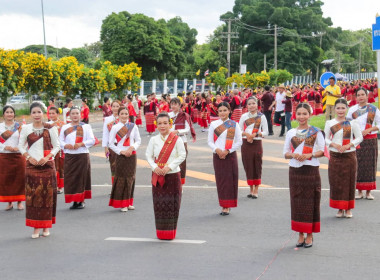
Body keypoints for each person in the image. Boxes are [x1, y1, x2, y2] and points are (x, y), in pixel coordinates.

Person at [283, 103, 325, 248]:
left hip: (310, 170)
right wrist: (293, 154)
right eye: (299, 114)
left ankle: (310, 235)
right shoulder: (290, 133)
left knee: (310, 202)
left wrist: (309, 154)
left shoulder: (316, 132)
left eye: (304, 113)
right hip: (295, 171)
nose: (301, 116)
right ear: (295, 115)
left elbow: (323, 151)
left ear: (310, 115)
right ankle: (300, 234)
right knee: (297, 202)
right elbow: (285, 153)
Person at [18, 102, 60, 239]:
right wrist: (29, 158)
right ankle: (35, 228)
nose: (36, 115)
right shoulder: (26, 128)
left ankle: (46, 226)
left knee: (47, 197)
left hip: (47, 166)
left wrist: (47, 157)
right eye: (34, 112)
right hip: (32, 166)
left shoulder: (51, 128)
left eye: (39, 112)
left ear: (43, 113)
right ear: (30, 114)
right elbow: (21, 147)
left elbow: (57, 146)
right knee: (33, 197)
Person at [146, 112, 186, 240]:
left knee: (172, 204)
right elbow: (148, 155)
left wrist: (169, 167)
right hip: (158, 175)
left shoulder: (176, 139)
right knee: (159, 204)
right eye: (160, 124)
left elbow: (182, 155)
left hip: (173, 175)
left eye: (165, 123)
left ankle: (170, 233)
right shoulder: (153, 139)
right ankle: (161, 233)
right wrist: (155, 167)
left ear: (170, 124)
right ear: (156, 125)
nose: (162, 126)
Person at [324, 99, 363, 218]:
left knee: (349, 182)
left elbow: (359, 137)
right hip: (335, 155)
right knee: (336, 182)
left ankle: (348, 208)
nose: (340, 111)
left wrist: (349, 145)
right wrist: (334, 144)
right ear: (334, 109)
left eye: (343, 108)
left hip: (349, 155)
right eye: (338, 108)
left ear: (347, 108)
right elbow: (325, 138)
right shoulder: (330, 123)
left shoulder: (352, 122)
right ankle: (339, 208)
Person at [208, 102, 242, 215]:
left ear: (229, 111)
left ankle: (228, 205)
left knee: (230, 180)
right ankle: (223, 204)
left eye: (225, 110)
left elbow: (239, 141)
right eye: (220, 111)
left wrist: (227, 151)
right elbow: (210, 141)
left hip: (230, 156)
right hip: (217, 155)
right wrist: (217, 150)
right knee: (221, 180)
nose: (222, 113)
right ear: (218, 112)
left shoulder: (234, 124)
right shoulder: (213, 124)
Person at [347, 87, 380, 200]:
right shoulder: (352, 110)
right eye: (359, 95)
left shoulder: (373, 109)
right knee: (358, 165)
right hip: (357, 140)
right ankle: (359, 191)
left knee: (370, 165)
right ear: (356, 97)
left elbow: (379, 124)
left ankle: (368, 192)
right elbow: (347, 125)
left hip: (371, 140)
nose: (361, 97)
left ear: (367, 96)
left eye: (363, 94)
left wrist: (369, 129)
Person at [60, 106, 95, 210]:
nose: (75, 115)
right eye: (73, 114)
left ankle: (81, 200)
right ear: (69, 116)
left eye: (77, 113)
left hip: (82, 155)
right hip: (70, 156)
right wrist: (66, 145)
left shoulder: (86, 127)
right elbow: (60, 141)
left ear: (81, 115)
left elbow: (92, 140)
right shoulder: (65, 127)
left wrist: (81, 144)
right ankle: (74, 200)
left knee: (81, 178)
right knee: (71, 178)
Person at [108, 107, 141, 211]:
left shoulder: (133, 126)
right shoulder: (115, 127)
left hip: (132, 155)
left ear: (128, 115)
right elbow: (111, 143)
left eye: (126, 113)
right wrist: (120, 151)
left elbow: (138, 140)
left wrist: (132, 147)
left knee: (131, 178)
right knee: (121, 179)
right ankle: (123, 204)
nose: (124, 116)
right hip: (121, 155)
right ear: (118, 115)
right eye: (122, 113)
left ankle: (129, 202)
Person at [239, 97, 268, 199]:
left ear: (257, 105)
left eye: (253, 103)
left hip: (256, 143)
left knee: (257, 165)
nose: (251, 105)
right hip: (246, 143)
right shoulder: (243, 116)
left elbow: (266, 132)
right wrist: (247, 135)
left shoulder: (262, 117)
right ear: (247, 106)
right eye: (249, 104)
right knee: (248, 165)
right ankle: (250, 189)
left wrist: (255, 135)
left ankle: (256, 190)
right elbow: (239, 130)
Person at [0, 105, 25, 210]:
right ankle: (9, 202)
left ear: (14, 114)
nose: (9, 114)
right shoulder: (0, 126)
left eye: (11, 112)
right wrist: (6, 147)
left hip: (18, 155)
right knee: (6, 179)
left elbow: (24, 140)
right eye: (7, 112)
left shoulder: (20, 126)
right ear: (3, 114)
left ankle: (20, 202)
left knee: (20, 178)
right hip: (4, 156)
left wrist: (17, 148)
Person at [169, 97, 196, 185]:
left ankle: (180, 183)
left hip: (181, 140)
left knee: (181, 162)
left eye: (175, 104)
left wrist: (178, 131)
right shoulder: (168, 115)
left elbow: (187, 129)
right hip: (170, 141)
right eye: (172, 104)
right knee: (170, 161)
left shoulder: (184, 115)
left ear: (179, 105)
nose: (173, 106)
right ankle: (172, 182)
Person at [103, 100, 121, 184]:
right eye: (113, 106)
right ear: (111, 107)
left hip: (122, 145)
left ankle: (121, 187)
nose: (115, 108)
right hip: (112, 145)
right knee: (113, 166)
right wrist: (105, 147)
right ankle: (114, 187)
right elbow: (105, 134)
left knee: (122, 166)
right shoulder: (107, 119)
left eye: (117, 106)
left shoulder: (123, 118)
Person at [48, 106, 65, 194]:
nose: (51, 115)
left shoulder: (62, 124)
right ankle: (53, 184)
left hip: (60, 148)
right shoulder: (48, 124)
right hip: (51, 148)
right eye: (50, 113)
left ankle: (60, 186)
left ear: (58, 114)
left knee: (60, 167)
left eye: (53, 113)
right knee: (52, 166)